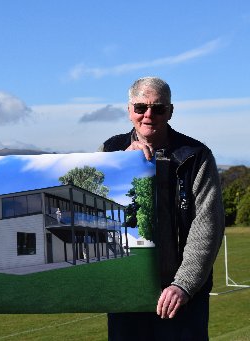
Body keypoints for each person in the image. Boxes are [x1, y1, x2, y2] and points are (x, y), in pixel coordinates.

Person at [99, 77, 225, 340]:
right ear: (129, 109)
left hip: (181, 298)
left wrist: (184, 285)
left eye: (158, 108)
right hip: (128, 291)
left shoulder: (195, 155)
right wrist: (121, 164)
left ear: (170, 111)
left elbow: (207, 227)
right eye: (140, 107)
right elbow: (98, 207)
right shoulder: (110, 150)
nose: (148, 115)